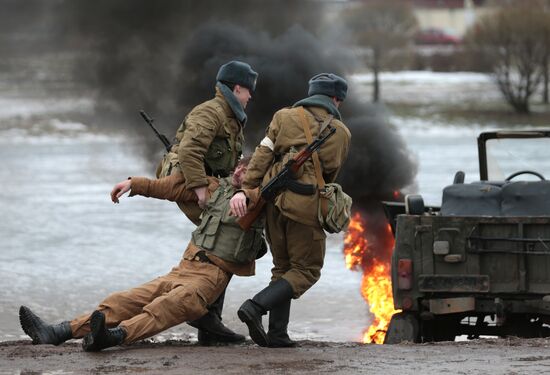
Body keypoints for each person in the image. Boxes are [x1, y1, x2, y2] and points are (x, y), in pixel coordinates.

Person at [19, 157, 266, 351]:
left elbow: (274, 199)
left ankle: (115, 336)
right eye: (238, 167)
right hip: (184, 267)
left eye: (245, 171)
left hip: (210, 277)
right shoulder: (214, 188)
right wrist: (133, 184)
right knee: (124, 300)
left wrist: (248, 194)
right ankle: (57, 332)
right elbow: (170, 187)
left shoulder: (259, 202)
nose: (237, 172)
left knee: (168, 306)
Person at [230, 73, 351, 348]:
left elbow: (261, 157)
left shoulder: (283, 117)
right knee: (306, 270)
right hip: (306, 209)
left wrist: (247, 191)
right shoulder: (341, 133)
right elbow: (330, 174)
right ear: (335, 99)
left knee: (282, 267)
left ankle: (277, 334)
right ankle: (256, 306)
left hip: (273, 202)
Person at [157, 60, 258, 344]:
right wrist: (201, 189)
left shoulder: (230, 117)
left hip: (208, 183)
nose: (251, 97)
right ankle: (205, 315)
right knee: (229, 235)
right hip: (189, 182)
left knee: (221, 239)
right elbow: (189, 151)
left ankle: (207, 320)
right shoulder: (211, 112)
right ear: (237, 88)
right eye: (248, 90)